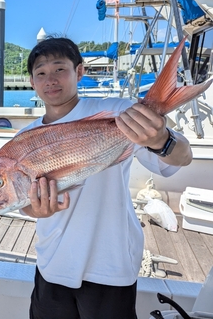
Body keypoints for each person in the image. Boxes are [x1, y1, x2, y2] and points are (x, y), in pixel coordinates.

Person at [20, 37, 192, 319]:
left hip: (110, 266)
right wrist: (35, 209)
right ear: (31, 82)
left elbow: (182, 158)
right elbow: (26, 204)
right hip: (52, 265)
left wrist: (161, 138)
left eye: (59, 69)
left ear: (79, 71)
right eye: (41, 73)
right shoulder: (24, 139)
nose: (50, 79)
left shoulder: (118, 112)